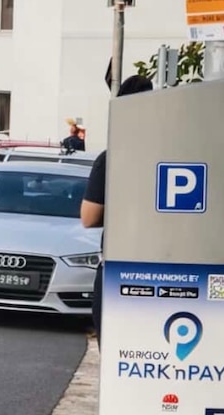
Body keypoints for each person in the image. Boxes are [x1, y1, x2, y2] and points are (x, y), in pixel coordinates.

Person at [81, 74, 153, 347]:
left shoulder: (112, 159)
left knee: (117, 353)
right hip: (170, 268)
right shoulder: (179, 152)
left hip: (119, 268)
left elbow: (88, 218)